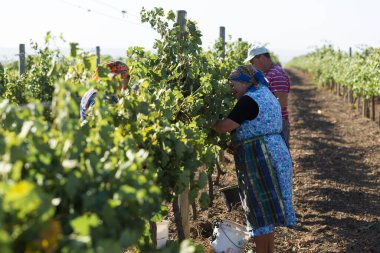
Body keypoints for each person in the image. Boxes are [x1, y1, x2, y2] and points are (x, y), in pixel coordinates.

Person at [212, 65, 296, 253]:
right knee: (268, 211)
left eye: (233, 85)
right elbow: (253, 125)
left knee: (259, 209)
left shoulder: (248, 101)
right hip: (275, 152)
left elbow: (225, 126)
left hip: (261, 158)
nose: (231, 89)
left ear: (244, 81)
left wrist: (207, 123)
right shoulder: (265, 93)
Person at [245, 46, 291, 148]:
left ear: (261, 58)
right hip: (271, 124)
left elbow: (282, 102)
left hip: (277, 124)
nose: (252, 65)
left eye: (252, 62)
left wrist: (259, 112)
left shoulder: (277, 74)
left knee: (279, 157)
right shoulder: (266, 74)